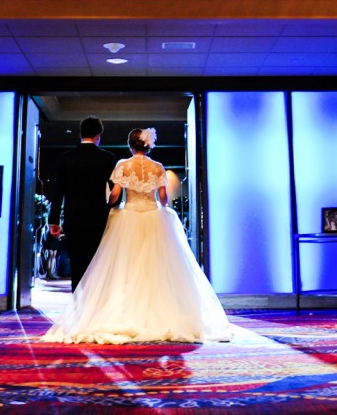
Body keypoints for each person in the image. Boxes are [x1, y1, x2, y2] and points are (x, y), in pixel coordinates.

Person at [42, 127, 233, 344]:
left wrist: (107, 205)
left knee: (126, 266)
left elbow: (115, 194)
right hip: (154, 218)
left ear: (130, 145)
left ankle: (124, 310)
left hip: (129, 217)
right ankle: (161, 311)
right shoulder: (157, 167)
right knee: (156, 266)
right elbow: (163, 199)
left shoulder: (123, 165)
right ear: (148, 145)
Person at [46, 116, 118, 291]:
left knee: (76, 263)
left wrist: (53, 220)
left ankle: (78, 300)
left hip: (73, 217)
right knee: (96, 262)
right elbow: (115, 191)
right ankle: (95, 300)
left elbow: (58, 192)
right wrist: (110, 209)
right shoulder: (107, 158)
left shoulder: (65, 158)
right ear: (98, 136)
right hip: (98, 218)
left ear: (80, 134)